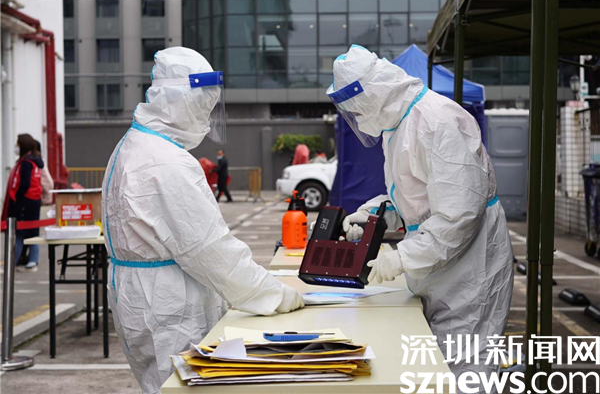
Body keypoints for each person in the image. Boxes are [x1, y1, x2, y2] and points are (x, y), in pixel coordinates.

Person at [102, 47, 304, 394]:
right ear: (181, 102)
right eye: (203, 107)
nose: (207, 119)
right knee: (184, 384)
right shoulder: (167, 162)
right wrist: (273, 294)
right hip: (169, 303)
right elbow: (211, 250)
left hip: (138, 296)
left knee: (158, 383)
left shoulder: (133, 144)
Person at [327, 45, 513, 393]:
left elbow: (460, 213)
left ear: (375, 92)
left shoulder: (436, 120)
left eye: (358, 108)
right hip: (440, 261)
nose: (358, 117)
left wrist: (402, 257)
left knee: (467, 367)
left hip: (471, 263)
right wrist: (373, 214)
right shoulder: (398, 124)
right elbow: (416, 197)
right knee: (437, 365)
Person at [1, 134, 44, 272]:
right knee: (33, 231)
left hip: (25, 201)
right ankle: (32, 260)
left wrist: (17, 197)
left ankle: (12, 263)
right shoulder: (36, 161)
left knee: (20, 233)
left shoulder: (26, 162)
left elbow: (24, 183)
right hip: (34, 201)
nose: (16, 147)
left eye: (18, 145)